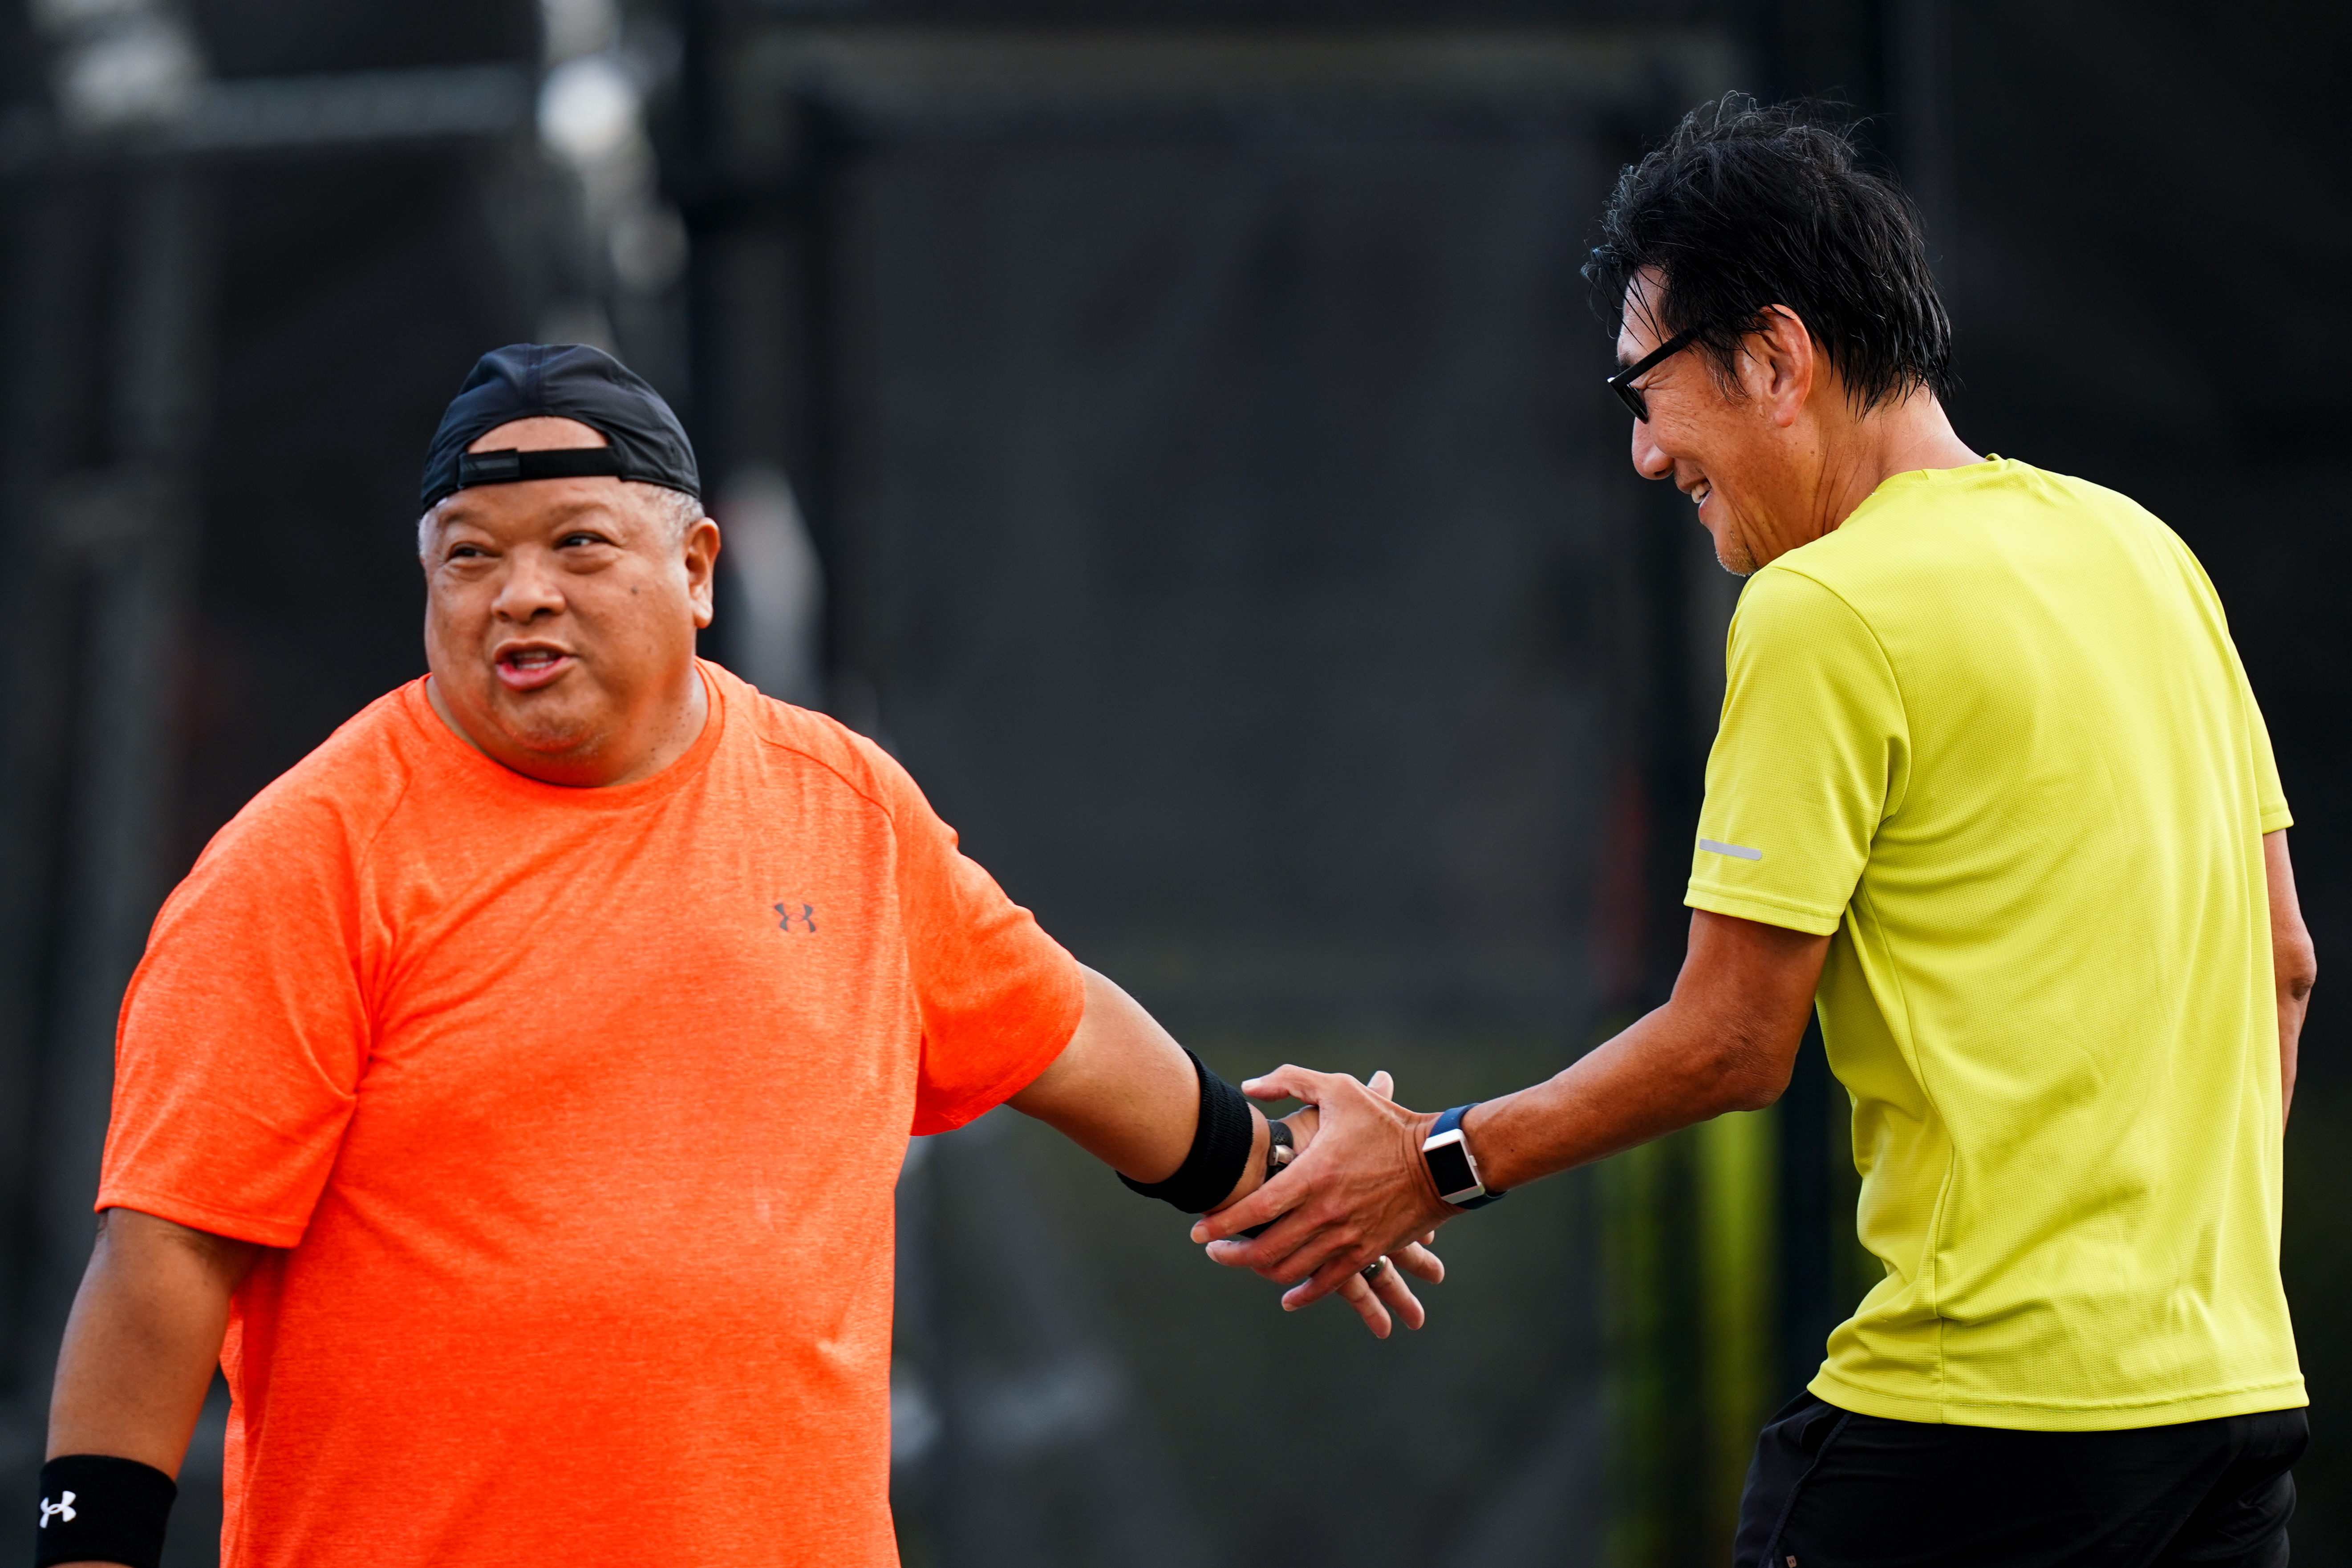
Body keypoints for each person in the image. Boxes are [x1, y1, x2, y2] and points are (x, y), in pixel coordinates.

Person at [34, 343, 1440, 1568]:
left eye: (577, 544)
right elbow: (162, 1261)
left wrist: (1287, 1176)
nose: (518, 594)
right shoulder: (304, 856)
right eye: (470, 554)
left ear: (696, 569)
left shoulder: (844, 807)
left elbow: (1058, 1033)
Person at [1198, 99, 2313, 1566]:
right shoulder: (2146, 554)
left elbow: (1731, 1040)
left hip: (1974, 1433)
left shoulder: (1822, 603)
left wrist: (1432, 1156)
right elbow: (2283, 963)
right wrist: (2172, 1284)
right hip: (2228, 1409)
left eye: (1642, 393)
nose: (1648, 455)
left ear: (1776, 356)